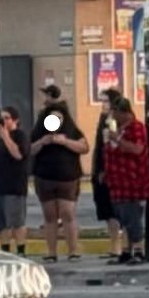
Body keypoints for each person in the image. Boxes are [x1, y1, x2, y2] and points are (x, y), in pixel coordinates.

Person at [29, 90, 90, 262]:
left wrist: (65, 142)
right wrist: (42, 142)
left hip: (68, 177)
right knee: (49, 216)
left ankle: (72, 250)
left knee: (67, 213)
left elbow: (84, 147)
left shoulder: (72, 130)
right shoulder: (39, 130)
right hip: (44, 177)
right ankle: (51, 252)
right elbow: (29, 150)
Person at [102, 98, 149, 265]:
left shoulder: (136, 128)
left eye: (114, 113)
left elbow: (138, 149)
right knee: (122, 216)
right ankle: (126, 250)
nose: (112, 116)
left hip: (133, 179)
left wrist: (117, 139)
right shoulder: (116, 129)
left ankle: (139, 249)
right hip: (117, 180)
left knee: (133, 216)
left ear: (123, 112)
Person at [0, 107, 30, 256]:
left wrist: (6, 137)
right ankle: (5, 251)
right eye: (1, 118)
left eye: (7, 118)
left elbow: (18, 155)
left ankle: (21, 250)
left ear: (15, 120)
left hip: (13, 187)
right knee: (1, 223)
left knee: (16, 222)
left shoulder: (20, 136)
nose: (3, 121)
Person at [91, 87, 125, 260]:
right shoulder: (103, 118)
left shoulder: (113, 120)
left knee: (114, 210)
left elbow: (110, 146)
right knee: (105, 209)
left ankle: (119, 246)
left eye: (105, 101)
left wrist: (105, 169)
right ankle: (114, 245)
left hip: (109, 169)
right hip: (100, 167)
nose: (102, 104)